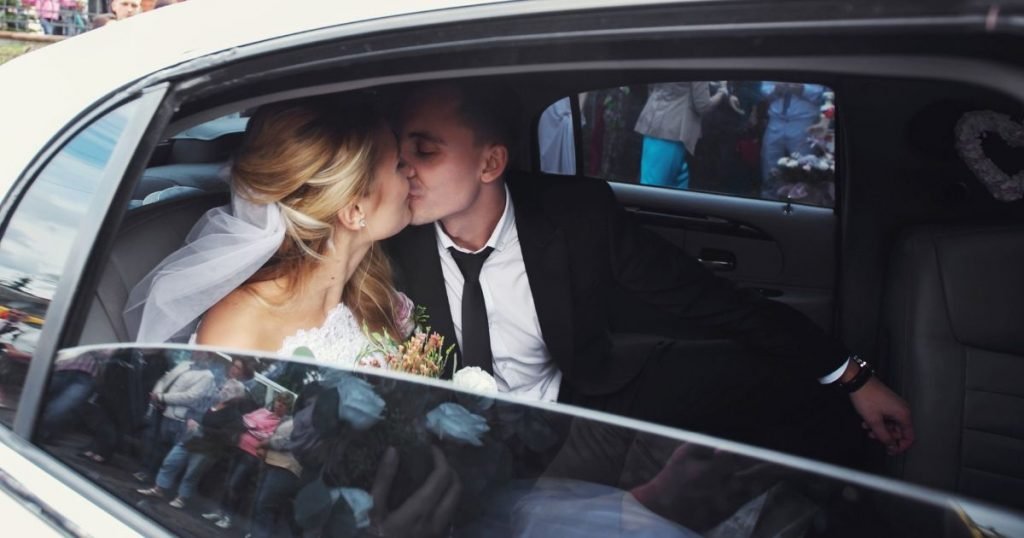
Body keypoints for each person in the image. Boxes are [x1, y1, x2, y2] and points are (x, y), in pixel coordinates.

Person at [386, 81, 914, 460]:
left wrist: (852, 376)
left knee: (779, 389)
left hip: (567, 414)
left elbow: (710, 299)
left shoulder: (576, 218)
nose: (402, 166)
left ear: (490, 163)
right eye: (399, 149)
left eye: (425, 150)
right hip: (441, 444)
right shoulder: (391, 241)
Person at [634, 82, 726, 189]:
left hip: (652, 123)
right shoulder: (698, 65)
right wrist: (722, 92)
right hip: (674, 132)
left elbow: (650, 85)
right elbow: (703, 105)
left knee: (659, 186)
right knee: (654, 190)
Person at [758, 82, 826, 199]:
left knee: (805, 164)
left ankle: (804, 201)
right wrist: (775, 89)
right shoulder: (774, 63)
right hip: (775, 120)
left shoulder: (815, 63)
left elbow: (823, 95)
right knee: (769, 162)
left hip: (804, 122)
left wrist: (803, 89)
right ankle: (769, 200)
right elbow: (763, 90)